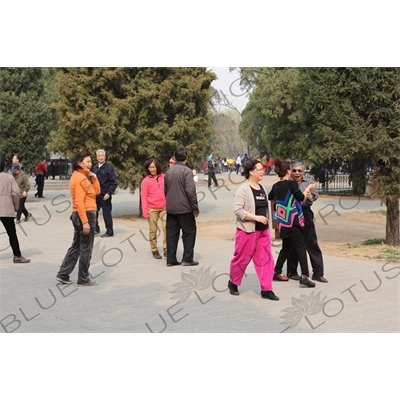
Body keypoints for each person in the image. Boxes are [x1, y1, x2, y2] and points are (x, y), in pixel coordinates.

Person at [228, 159, 279, 300]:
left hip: (263, 231)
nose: (263, 171)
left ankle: (267, 289)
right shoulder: (243, 189)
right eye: (259, 169)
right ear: (251, 172)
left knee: (266, 260)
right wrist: (255, 218)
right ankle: (233, 282)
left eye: (263, 169)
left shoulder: (261, 188)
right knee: (242, 259)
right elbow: (237, 210)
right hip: (247, 231)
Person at [268, 157, 316, 288]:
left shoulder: (276, 186)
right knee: (301, 248)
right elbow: (300, 197)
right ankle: (305, 276)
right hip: (294, 222)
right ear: (288, 171)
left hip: (283, 224)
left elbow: (270, 196)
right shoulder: (290, 184)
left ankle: (277, 271)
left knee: (286, 248)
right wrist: (310, 188)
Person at [56, 151, 100, 286]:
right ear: (80, 162)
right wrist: (85, 222)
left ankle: (63, 273)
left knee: (76, 246)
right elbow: (79, 202)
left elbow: (97, 191)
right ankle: (83, 278)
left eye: (91, 161)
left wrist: (94, 177)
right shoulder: (80, 178)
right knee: (86, 247)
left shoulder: (81, 176)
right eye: (87, 161)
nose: (90, 164)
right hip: (85, 214)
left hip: (80, 215)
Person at [287, 159, 328, 282]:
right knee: (293, 244)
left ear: (304, 172)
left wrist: (309, 195)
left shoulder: (309, 182)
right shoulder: (287, 182)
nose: (297, 173)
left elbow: (313, 196)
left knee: (312, 243)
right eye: (294, 170)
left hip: (305, 214)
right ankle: (292, 271)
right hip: (292, 215)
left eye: (300, 170)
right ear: (290, 171)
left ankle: (318, 273)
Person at [164, 148, 199, 267]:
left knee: (171, 233)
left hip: (171, 207)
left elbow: (165, 190)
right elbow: (190, 190)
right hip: (184, 208)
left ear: (175, 157)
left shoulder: (169, 172)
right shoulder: (187, 171)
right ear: (186, 158)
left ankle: (171, 259)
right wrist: (195, 208)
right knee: (189, 232)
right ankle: (187, 259)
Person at [0, 155, 31, 263]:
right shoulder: (9, 177)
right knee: (12, 233)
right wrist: (16, 206)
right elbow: (16, 192)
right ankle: (17, 256)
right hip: (6, 208)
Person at [140, 158, 167, 259]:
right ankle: (154, 250)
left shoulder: (164, 177)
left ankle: (166, 249)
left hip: (164, 207)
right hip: (152, 208)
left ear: (157, 167)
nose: (152, 169)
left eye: (153, 167)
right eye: (150, 167)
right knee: (153, 230)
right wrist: (145, 211)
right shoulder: (145, 181)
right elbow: (143, 197)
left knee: (166, 228)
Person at [93, 149, 117, 237]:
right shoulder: (95, 168)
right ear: (97, 157)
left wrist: (109, 193)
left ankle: (109, 231)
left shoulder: (109, 167)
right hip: (96, 194)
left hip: (105, 195)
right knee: (93, 212)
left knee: (106, 213)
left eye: (102, 155)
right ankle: (95, 228)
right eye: (99, 156)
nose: (101, 157)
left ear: (105, 157)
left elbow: (113, 182)